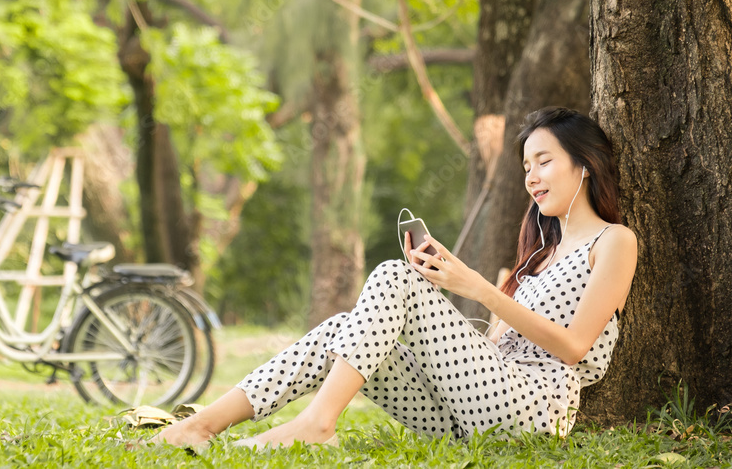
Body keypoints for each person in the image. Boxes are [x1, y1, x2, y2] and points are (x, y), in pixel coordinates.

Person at [153, 106, 638, 448]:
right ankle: (204, 425)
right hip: (467, 410)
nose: (531, 176)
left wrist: (477, 287)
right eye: (526, 166)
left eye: (545, 161)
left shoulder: (613, 242)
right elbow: (494, 345)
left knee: (393, 276)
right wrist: (446, 298)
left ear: (586, 165)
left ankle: (318, 423)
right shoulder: (539, 255)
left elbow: (575, 348)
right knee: (341, 329)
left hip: (531, 409)